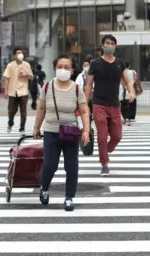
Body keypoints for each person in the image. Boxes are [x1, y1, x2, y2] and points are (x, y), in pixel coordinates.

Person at [33, 54, 91, 211]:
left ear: (72, 70)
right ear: (55, 68)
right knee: (50, 165)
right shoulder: (47, 87)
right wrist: (36, 127)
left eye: (67, 67)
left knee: (71, 166)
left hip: (71, 133)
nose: (63, 70)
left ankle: (69, 197)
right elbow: (41, 108)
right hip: (51, 132)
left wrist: (86, 130)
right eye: (60, 67)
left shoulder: (77, 89)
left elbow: (84, 111)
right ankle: (44, 188)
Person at [85, 34, 135, 176]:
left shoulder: (120, 63)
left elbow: (127, 79)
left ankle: (105, 150)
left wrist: (131, 92)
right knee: (102, 136)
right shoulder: (95, 63)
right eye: (107, 43)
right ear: (102, 46)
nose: (110, 45)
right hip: (99, 103)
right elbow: (89, 84)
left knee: (117, 136)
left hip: (114, 104)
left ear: (115, 46)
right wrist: (85, 103)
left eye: (113, 43)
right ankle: (104, 164)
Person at [3, 48, 33, 135]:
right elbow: (7, 78)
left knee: (23, 112)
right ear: (14, 56)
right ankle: (10, 123)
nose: (20, 54)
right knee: (11, 110)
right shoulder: (10, 65)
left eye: (21, 52)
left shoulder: (26, 65)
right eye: (18, 53)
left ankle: (22, 128)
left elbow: (31, 76)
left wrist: (25, 75)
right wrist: (6, 91)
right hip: (13, 91)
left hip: (23, 91)